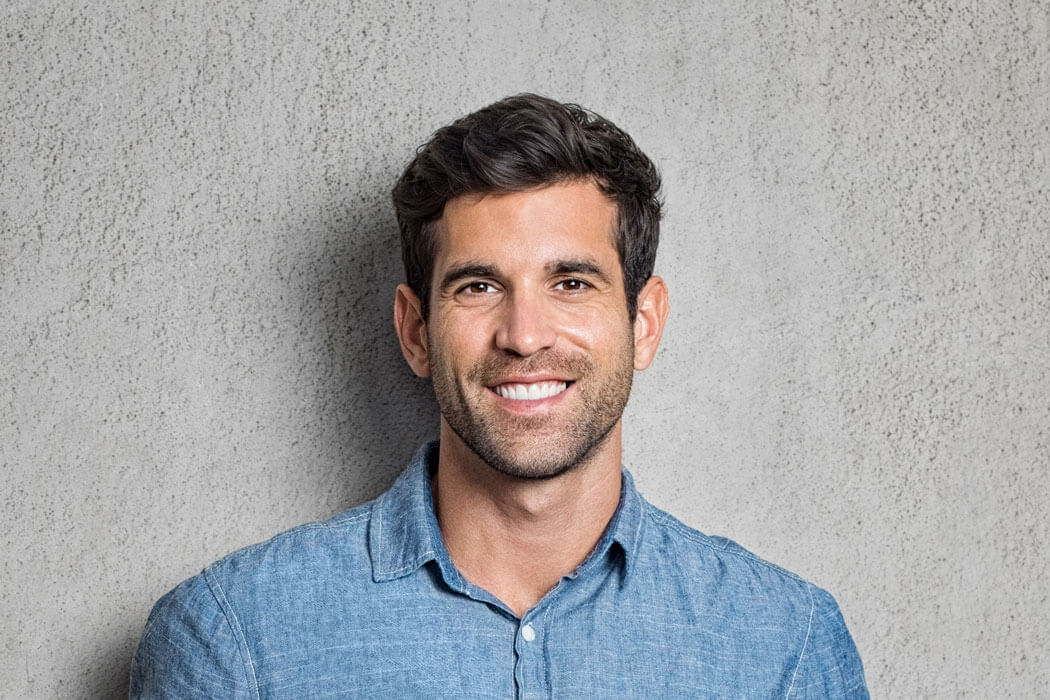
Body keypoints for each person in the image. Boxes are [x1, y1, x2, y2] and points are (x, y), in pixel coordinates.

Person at [130, 94, 868, 698]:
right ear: (417, 332)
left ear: (643, 324)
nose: (523, 334)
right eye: (479, 286)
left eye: (571, 283)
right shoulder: (237, 640)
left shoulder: (783, 648)